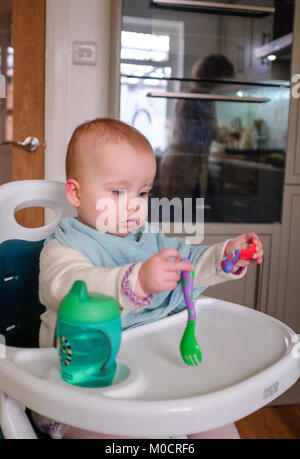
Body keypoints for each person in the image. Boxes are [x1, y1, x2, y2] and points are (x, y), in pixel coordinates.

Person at [34, 118, 263, 439]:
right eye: (118, 191)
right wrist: (137, 282)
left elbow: (189, 262)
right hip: (83, 387)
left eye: (142, 193)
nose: (134, 206)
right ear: (75, 192)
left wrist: (226, 256)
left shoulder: (149, 238)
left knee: (219, 426)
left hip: (155, 368)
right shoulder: (64, 247)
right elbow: (74, 287)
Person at [159, 54, 234, 200]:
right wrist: (227, 134)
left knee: (174, 217)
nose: (223, 85)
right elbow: (211, 131)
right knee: (183, 218)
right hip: (185, 164)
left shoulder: (190, 92)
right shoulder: (202, 96)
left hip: (177, 161)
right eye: (224, 79)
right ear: (216, 76)